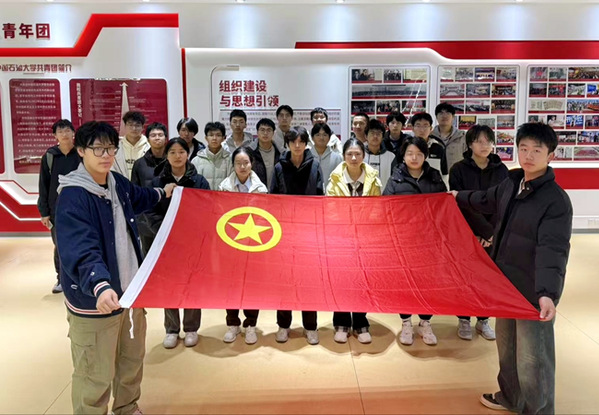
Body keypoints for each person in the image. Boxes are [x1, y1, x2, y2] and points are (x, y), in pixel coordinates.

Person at [55, 121, 175, 415]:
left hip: (130, 295)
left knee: (130, 362)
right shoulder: (73, 196)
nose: (106, 155)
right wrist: (100, 284)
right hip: (96, 302)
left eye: (111, 148)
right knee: (94, 374)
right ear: (81, 151)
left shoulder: (116, 182)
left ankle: (127, 408)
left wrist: (164, 192)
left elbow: (139, 197)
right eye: (98, 148)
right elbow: (81, 248)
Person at [452, 123, 572, 414]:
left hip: (532, 291)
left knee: (533, 360)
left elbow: (553, 250)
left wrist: (547, 293)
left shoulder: (555, 201)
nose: (528, 156)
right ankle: (510, 397)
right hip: (506, 285)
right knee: (507, 350)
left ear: (551, 156)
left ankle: (538, 410)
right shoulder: (512, 182)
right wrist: (456, 196)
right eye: (523, 148)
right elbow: (485, 200)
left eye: (537, 151)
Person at [383, 136, 447, 346]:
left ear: (425, 156)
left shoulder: (434, 176)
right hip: (404, 241)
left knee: (429, 283)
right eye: (410, 153)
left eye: (419, 154)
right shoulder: (395, 179)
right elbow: (386, 208)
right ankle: (406, 323)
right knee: (405, 283)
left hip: (429, 240)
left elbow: (443, 206)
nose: (414, 158)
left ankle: (425, 322)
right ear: (403, 155)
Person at [449, 125, 509, 341]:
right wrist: (482, 232)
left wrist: (491, 234)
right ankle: (464, 319)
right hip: (466, 231)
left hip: (493, 234)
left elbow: (502, 203)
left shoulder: (502, 170)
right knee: (465, 277)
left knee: (487, 277)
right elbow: (461, 203)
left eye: (488, 141)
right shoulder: (458, 169)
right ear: (470, 144)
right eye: (479, 141)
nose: (484, 146)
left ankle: (483, 319)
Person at [149, 138, 210, 349]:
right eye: (172, 152)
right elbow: (150, 212)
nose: (177, 156)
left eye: (181, 152)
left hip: (192, 243)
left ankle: (191, 328)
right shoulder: (157, 181)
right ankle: (171, 329)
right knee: (170, 285)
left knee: (191, 283)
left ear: (188, 154)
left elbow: (208, 211)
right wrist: (166, 231)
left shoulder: (199, 181)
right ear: (166, 155)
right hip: (167, 242)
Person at [270, 126, 323, 345]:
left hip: (308, 230)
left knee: (308, 280)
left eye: (301, 141)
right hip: (284, 231)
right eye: (293, 142)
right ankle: (283, 325)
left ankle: (310, 326)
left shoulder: (315, 165)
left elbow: (320, 196)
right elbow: (272, 198)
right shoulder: (279, 166)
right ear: (288, 144)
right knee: (285, 280)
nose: (297, 145)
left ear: (306, 143)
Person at [326, 138, 382, 344]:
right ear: (343, 156)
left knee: (362, 281)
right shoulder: (334, 180)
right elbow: (330, 210)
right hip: (341, 238)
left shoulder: (374, 180)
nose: (353, 158)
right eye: (349, 154)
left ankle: (360, 322)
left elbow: (377, 210)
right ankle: (341, 323)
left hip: (365, 238)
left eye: (358, 154)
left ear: (364, 156)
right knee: (341, 280)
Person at [218, 146, 268, 345]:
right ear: (233, 165)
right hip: (230, 243)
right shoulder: (224, 187)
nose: (242, 166)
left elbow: (265, 217)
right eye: (238, 163)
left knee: (251, 285)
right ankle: (232, 324)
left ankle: (251, 324)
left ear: (251, 164)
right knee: (230, 285)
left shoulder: (261, 189)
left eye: (246, 162)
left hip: (254, 244)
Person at [37, 119, 80, 294]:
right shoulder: (50, 156)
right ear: (55, 135)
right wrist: (44, 212)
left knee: (81, 242)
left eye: (67, 130)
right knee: (60, 245)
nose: (64, 134)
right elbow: (43, 185)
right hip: (57, 209)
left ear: (73, 133)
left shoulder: (81, 153)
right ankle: (61, 279)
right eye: (60, 131)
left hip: (80, 207)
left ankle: (79, 278)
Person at [191, 122, 234, 189]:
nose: (214, 138)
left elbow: (232, 183)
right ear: (206, 138)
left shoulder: (230, 160)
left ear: (224, 138)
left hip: (223, 195)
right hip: (203, 195)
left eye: (218, 135)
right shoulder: (196, 161)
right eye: (211, 135)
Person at [410, 112, 448, 182]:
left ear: (431, 128)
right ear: (412, 128)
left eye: (425, 126)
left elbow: (444, 174)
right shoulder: (406, 147)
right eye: (418, 126)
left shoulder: (438, 148)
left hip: (433, 186)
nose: (422, 130)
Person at [112, 111, 149, 180]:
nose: (134, 128)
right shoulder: (116, 148)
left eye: (137, 125)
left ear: (143, 127)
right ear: (125, 126)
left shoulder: (149, 147)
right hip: (121, 184)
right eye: (130, 125)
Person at [430, 103, 467, 171]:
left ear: (453, 117)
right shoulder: (430, 136)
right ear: (436, 117)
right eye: (441, 113)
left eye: (448, 113)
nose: (444, 116)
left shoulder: (462, 136)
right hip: (435, 175)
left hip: (457, 175)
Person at [131, 122, 167, 188]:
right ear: (148, 140)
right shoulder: (139, 164)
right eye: (153, 135)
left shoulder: (173, 162)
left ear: (166, 139)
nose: (157, 138)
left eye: (160, 135)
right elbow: (135, 190)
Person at [364, 119, 396, 188]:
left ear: (383, 137)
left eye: (378, 133)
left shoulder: (391, 157)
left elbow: (395, 180)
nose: (375, 136)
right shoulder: (359, 156)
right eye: (372, 133)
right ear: (366, 136)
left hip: (385, 194)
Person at [250, 118, 280, 190]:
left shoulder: (280, 152)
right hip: (257, 192)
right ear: (257, 132)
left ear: (273, 133)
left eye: (269, 130)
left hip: (276, 193)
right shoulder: (250, 152)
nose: (265, 133)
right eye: (262, 130)